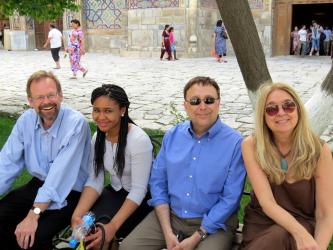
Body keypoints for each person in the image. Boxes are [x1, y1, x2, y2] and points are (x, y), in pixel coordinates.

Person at [121, 76, 246, 250]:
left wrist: (197, 237)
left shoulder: (235, 144)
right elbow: (158, 183)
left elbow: (230, 199)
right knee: (128, 248)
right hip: (170, 217)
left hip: (215, 224)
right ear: (186, 106)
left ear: (218, 103)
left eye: (209, 100)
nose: (202, 106)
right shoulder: (172, 136)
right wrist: (167, 231)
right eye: (195, 101)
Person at [0, 70, 91, 250]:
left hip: (70, 191)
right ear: (30, 101)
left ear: (61, 95)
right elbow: (6, 164)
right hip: (39, 184)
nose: (47, 102)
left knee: (35, 236)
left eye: (51, 95)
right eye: (40, 97)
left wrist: (32, 215)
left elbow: (59, 177)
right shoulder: (26, 120)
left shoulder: (76, 124)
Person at [240, 83, 333, 250]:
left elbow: (325, 214)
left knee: (283, 237)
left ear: (298, 109)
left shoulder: (318, 150)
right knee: (279, 236)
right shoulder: (252, 145)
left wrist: (318, 247)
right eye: (272, 109)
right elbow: (267, 203)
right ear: (263, 116)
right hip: (263, 223)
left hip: (303, 221)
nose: (281, 113)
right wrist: (300, 234)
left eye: (288, 106)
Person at [71, 84, 153, 250]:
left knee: (100, 235)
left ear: (122, 110)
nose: (101, 117)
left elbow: (139, 189)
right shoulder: (98, 137)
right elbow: (95, 178)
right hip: (115, 192)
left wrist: (112, 227)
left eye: (108, 111)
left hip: (142, 200)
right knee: (85, 230)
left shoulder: (138, 140)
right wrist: (77, 214)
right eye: (96, 110)